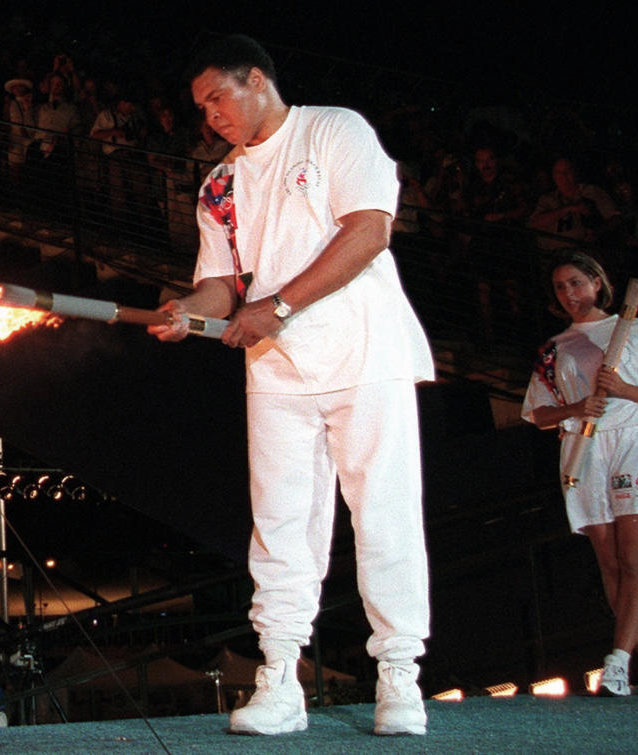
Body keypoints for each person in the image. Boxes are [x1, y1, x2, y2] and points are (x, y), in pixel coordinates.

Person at [148, 34, 434, 737]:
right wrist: (189, 313)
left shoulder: (334, 129)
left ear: (256, 80)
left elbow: (368, 231)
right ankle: (279, 677)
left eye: (217, 97)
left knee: (383, 515)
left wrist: (274, 306)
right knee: (279, 525)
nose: (210, 115)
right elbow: (219, 283)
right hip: (276, 369)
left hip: (366, 353)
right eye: (201, 106)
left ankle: (398, 675)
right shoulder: (220, 183)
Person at [521, 251, 638, 696]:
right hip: (583, 449)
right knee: (610, 561)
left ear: (598, 283)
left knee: (635, 558)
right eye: (561, 287)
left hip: (632, 442)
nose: (570, 294)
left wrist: (624, 390)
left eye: (577, 283)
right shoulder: (554, 347)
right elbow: (538, 414)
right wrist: (577, 407)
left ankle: (617, 660)